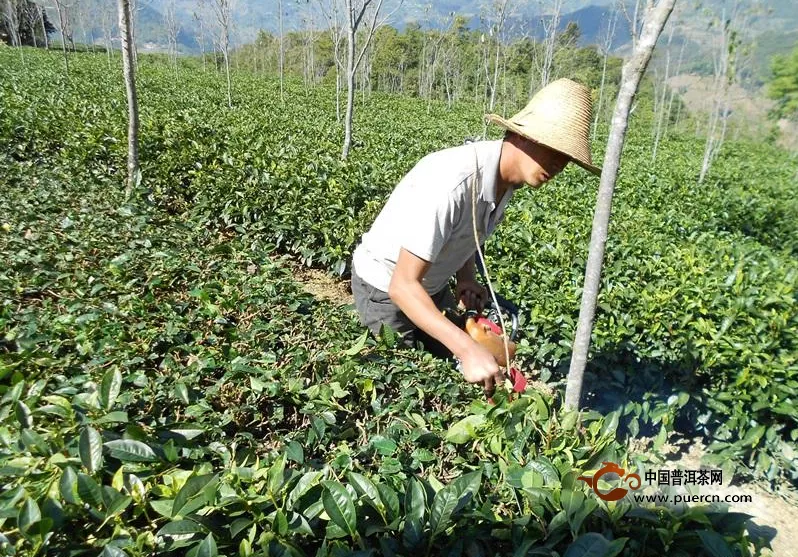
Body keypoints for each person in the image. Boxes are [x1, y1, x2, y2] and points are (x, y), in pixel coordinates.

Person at [351, 78, 601, 393]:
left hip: (429, 286)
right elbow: (402, 286)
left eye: (567, 158)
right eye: (553, 149)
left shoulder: (506, 181)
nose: (559, 164)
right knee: (403, 384)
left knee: (455, 369)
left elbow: (463, 231)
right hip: (386, 290)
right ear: (521, 136)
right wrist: (467, 350)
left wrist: (466, 277)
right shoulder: (453, 183)